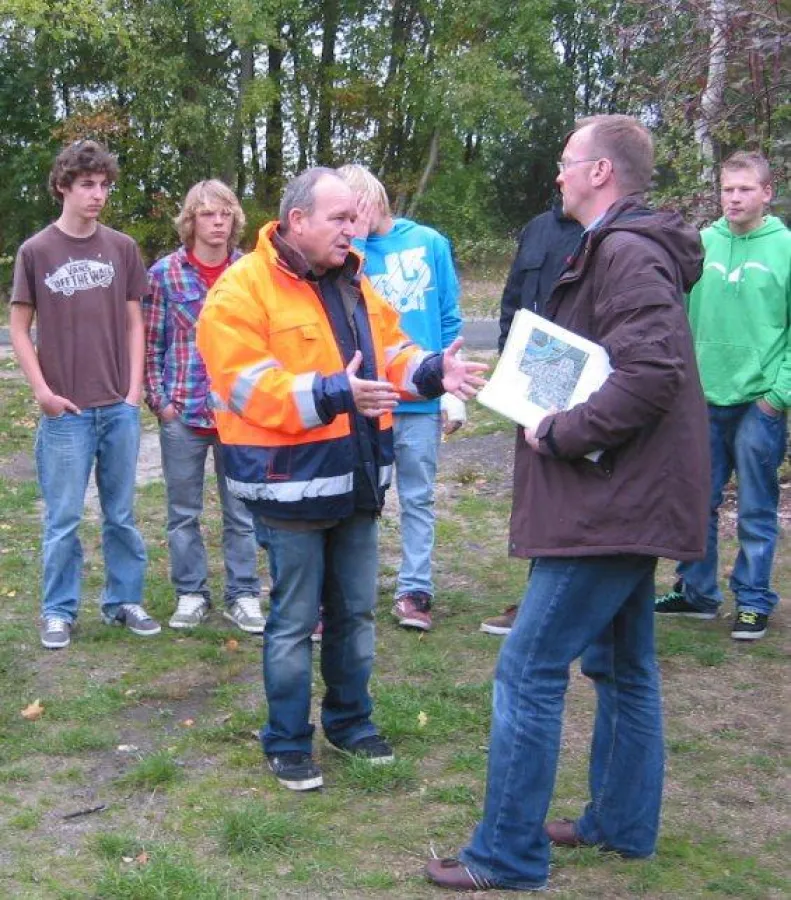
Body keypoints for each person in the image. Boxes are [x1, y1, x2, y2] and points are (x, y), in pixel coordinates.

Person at [425, 115, 709, 892]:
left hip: (611, 498)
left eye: (565, 163)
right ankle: (619, 823)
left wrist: (558, 430)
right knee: (621, 664)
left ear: (599, 174)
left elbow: (651, 373)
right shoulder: (624, 246)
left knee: (527, 668)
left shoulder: (623, 251)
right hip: (623, 492)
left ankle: (506, 856)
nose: (556, 175)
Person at [196, 167, 486, 792]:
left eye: (355, 218)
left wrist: (435, 371)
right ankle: (288, 741)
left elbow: (394, 352)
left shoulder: (356, 280)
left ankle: (351, 724)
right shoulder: (241, 290)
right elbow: (247, 386)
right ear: (297, 221)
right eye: (340, 219)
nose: (353, 229)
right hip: (289, 486)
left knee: (355, 613)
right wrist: (335, 392)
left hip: (355, 481)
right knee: (295, 619)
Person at [10, 139, 159, 650]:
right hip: (66, 412)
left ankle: (124, 601)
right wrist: (43, 393)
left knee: (121, 514)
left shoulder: (122, 248)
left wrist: (134, 391)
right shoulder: (36, 252)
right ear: (63, 188)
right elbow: (18, 327)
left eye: (104, 186)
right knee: (64, 517)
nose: (98, 195)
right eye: (87, 185)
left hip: (118, 406)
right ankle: (58, 610)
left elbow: (135, 321)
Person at [655, 152, 790, 641]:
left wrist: (778, 395)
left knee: (755, 507)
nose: (733, 198)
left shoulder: (786, 249)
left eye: (745, 189)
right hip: (702, 400)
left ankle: (752, 602)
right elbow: (676, 316)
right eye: (727, 189)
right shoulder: (702, 244)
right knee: (696, 502)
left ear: (766, 193)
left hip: (759, 403)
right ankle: (697, 593)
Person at [337, 164, 464, 632]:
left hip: (421, 400)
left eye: (354, 212)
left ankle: (415, 588)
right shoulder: (348, 254)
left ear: (372, 200)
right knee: (364, 498)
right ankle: (354, 586)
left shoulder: (428, 243)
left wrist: (453, 395)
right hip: (370, 398)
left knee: (418, 497)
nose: (347, 224)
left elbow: (449, 316)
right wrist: (360, 244)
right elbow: (347, 300)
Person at [143, 180, 265, 633]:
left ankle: (244, 594)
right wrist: (161, 402)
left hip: (238, 414)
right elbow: (151, 344)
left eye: (225, 214)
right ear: (190, 221)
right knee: (183, 513)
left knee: (242, 510)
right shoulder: (164, 275)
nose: (218, 222)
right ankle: (191, 593)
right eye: (208, 214)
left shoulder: (250, 273)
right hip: (184, 412)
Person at [480, 201, 583, 636]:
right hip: (533, 385)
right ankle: (538, 602)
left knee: (582, 497)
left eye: (568, 165)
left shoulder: (610, 232)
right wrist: (512, 360)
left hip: (587, 392)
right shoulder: (537, 228)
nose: (560, 177)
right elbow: (513, 301)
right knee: (537, 496)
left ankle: (578, 608)